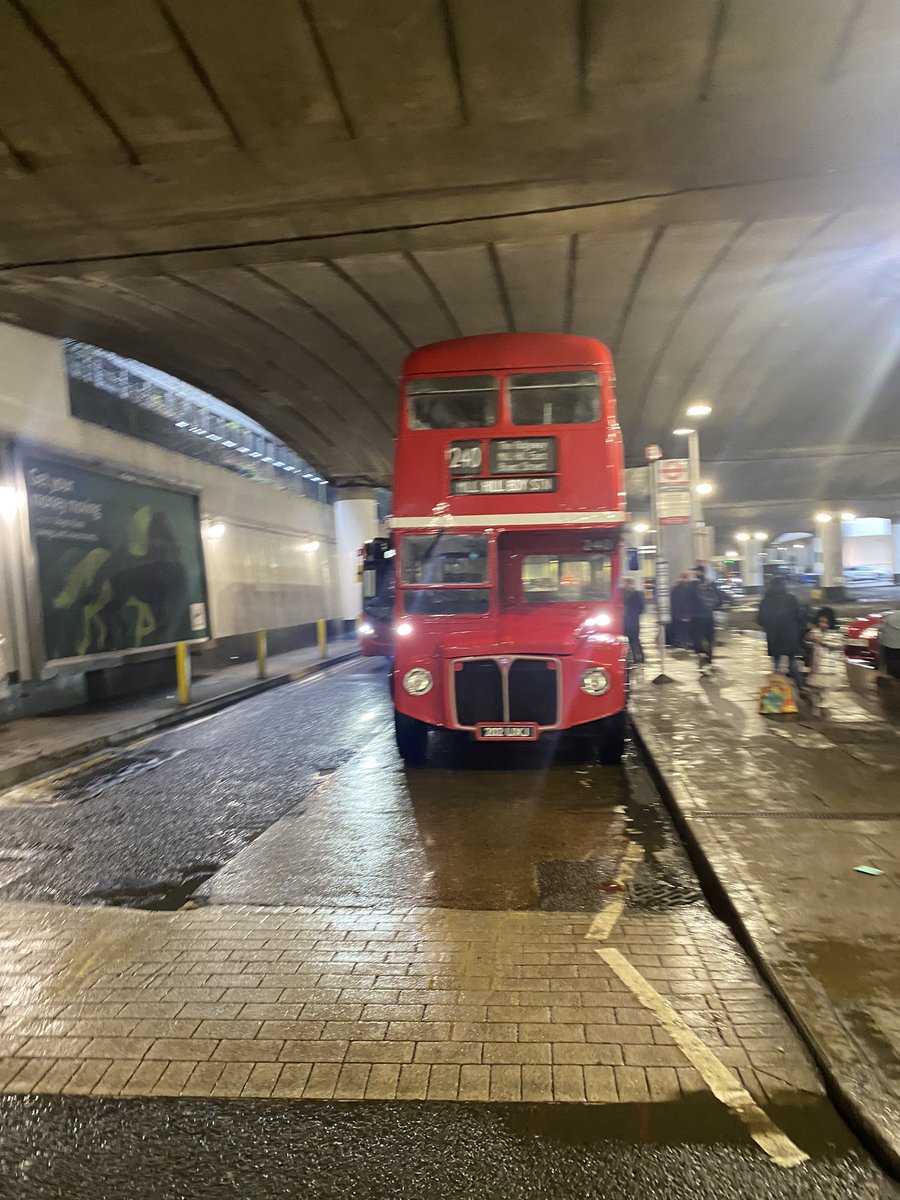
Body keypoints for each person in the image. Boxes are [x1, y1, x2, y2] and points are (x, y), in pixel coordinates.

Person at [756, 576, 804, 692]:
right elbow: (800, 616)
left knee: (777, 664)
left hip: (774, 636)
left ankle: (777, 693)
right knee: (792, 661)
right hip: (790, 635)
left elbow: (760, 619)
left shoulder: (766, 601)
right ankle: (801, 686)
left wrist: (769, 625)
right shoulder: (791, 599)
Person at [688, 564, 722, 669]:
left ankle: (701, 655)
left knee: (697, 637)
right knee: (709, 637)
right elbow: (719, 599)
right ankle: (709, 657)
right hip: (709, 615)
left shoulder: (693, 585)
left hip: (697, 616)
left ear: (699, 572)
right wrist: (713, 608)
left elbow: (689, 601)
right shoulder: (711, 584)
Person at [621, 577, 645, 664]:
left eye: (627, 583)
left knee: (634, 640)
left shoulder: (636, 594)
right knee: (628, 641)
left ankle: (638, 658)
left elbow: (641, 608)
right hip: (625, 621)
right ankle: (630, 658)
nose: (626, 585)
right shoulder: (621, 593)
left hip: (632, 621)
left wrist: (634, 614)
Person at [670, 571, 692, 648]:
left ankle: (680, 642)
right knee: (684, 629)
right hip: (683, 613)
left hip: (677, 614)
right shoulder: (685, 588)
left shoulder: (676, 588)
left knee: (679, 629)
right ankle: (684, 642)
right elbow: (684, 602)